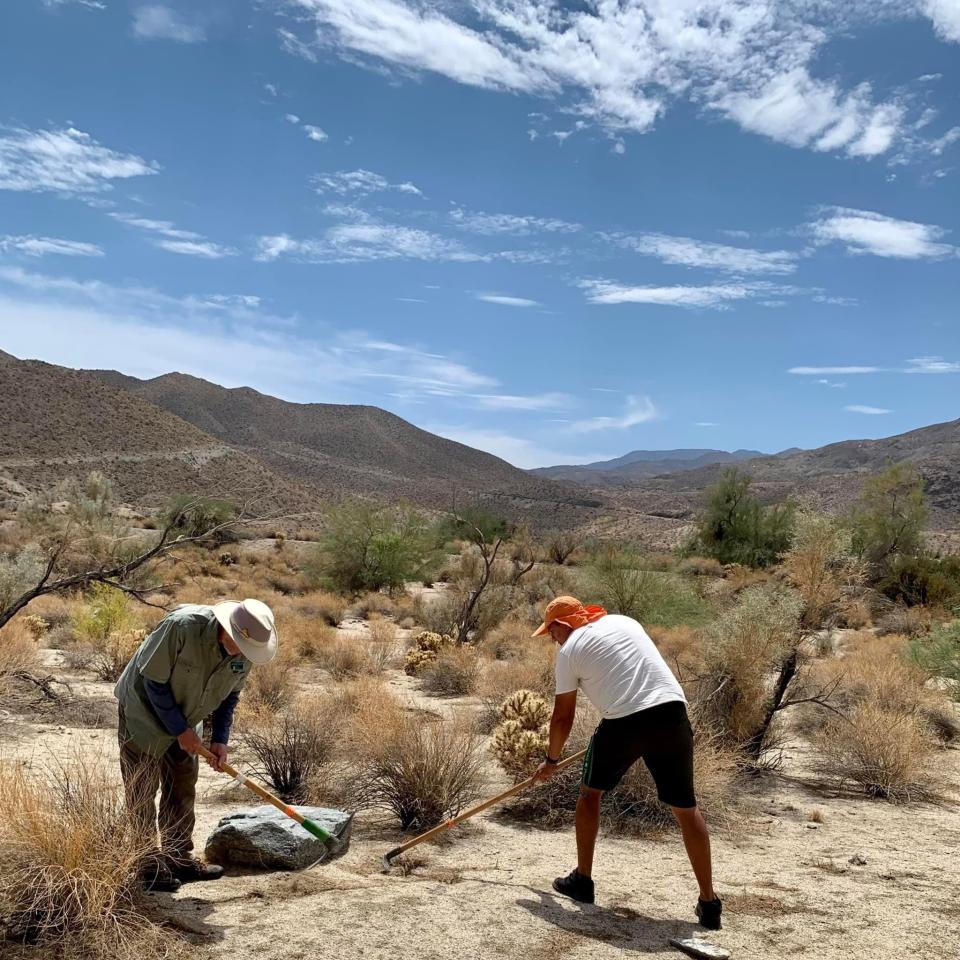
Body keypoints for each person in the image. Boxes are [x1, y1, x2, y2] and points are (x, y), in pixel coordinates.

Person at [530, 595, 721, 930]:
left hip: (623, 724)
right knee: (687, 810)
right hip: (672, 715)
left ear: (562, 626)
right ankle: (709, 903)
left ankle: (582, 881)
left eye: (551, 633)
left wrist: (551, 759)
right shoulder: (625, 621)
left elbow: (562, 717)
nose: (552, 640)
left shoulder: (569, 651)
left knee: (590, 794)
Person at [114, 598, 278, 893]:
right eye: (241, 644)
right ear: (227, 629)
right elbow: (153, 682)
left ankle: (178, 857)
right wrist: (180, 730)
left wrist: (220, 739)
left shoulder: (247, 652)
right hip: (143, 713)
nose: (244, 653)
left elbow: (229, 698)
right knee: (142, 788)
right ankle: (148, 864)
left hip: (190, 716)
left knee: (183, 785)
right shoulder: (181, 628)